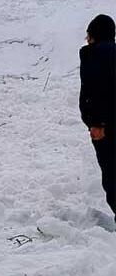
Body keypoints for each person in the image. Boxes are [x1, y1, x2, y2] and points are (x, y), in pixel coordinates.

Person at [79, 14, 116, 222]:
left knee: (112, 176)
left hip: (105, 126)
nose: (86, 38)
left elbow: (96, 92)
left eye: (88, 34)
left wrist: (96, 123)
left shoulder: (95, 56)